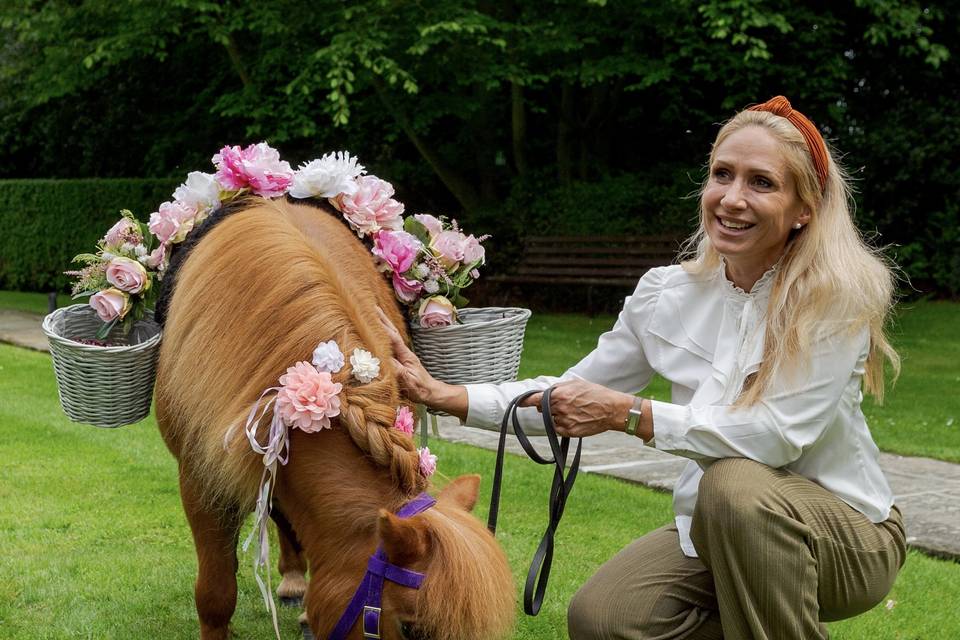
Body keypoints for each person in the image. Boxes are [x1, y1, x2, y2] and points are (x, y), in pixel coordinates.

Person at [379, 96, 906, 640]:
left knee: (732, 484)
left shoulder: (834, 298)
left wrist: (629, 414)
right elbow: (576, 390)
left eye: (761, 183)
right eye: (721, 174)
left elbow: (773, 437)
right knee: (605, 619)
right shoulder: (666, 295)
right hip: (720, 527)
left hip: (851, 536)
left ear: (804, 209)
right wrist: (445, 394)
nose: (731, 198)